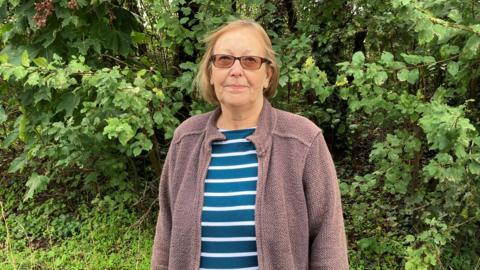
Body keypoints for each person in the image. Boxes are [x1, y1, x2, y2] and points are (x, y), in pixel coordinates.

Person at [151, 19, 348, 270]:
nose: (235, 70)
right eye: (224, 60)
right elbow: (165, 235)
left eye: (250, 61)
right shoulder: (185, 140)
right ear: (211, 72)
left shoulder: (303, 141)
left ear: (267, 74)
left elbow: (329, 243)